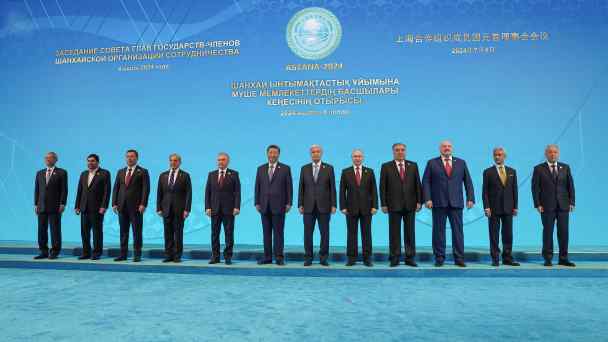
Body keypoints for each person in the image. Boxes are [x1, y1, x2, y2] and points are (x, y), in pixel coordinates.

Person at [422, 140, 475, 267]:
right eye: (444, 146)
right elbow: (426, 182)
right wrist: (427, 199)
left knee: (458, 231)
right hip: (438, 202)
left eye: (449, 146)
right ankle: (439, 258)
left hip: (456, 203)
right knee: (438, 232)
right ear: (440, 149)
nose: (447, 148)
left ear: (452, 148)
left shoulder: (461, 163)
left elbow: (468, 182)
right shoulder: (432, 163)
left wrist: (470, 198)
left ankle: (459, 258)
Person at [532, 144, 576, 267]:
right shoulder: (538, 169)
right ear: (546, 154)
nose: (553, 154)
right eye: (550, 152)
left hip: (563, 205)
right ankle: (548, 258)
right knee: (548, 232)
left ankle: (563, 258)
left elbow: (570, 186)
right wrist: (537, 204)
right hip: (546, 206)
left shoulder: (565, 168)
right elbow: (535, 188)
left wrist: (572, 202)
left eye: (555, 152)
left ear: (558, 154)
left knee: (564, 232)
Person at [380, 143, 422, 267]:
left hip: (411, 204)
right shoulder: (386, 166)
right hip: (393, 205)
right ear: (393, 152)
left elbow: (417, 185)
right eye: (397, 150)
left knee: (410, 232)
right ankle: (394, 257)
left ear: (405, 151)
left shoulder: (413, 165)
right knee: (394, 233)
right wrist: (383, 204)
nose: (400, 152)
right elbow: (382, 187)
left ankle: (410, 258)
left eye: (402, 150)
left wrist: (419, 201)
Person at [298, 145, 337, 266]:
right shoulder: (304, 168)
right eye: (313, 152)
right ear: (310, 154)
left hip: (324, 206)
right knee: (307, 233)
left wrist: (334, 204)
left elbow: (332, 188)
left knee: (325, 233)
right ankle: (308, 258)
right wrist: (300, 204)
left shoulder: (329, 168)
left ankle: (323, 258)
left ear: (321, 153)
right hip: (308, 206)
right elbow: (301, 187)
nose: (315, 154)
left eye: (318, 152)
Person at [254, 145, 293, 266]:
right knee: (266, 233)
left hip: (279, 205)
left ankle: (279, 258)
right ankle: (267, 257)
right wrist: (256, 202)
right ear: (267, 154)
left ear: (278, 154)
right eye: (270, 152)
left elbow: (289, 187)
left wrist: (289, 203)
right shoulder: (260, 168)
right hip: (264, 205)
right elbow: (257, 187)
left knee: (278, 233)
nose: (272, 155)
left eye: (275, 153)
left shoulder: (285, 168)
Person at [339, 149, 378, 267]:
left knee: (367, 234)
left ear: (363, 158)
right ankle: (351, 258)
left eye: (359, 156)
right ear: (352, 158)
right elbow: (342, 191)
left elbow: (374, 190)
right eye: (355, 156)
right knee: (351, 234)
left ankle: (367, 258)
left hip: (367, 209)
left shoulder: (369, 172)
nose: (357, 158)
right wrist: (343, 206)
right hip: (350, 209)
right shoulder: (346, 172)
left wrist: (375, 206)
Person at [482, 147, 519, 267]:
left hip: (508, 208)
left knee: (508, 234)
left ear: (504, 156)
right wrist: (486, 207)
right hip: (493, 208)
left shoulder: (512, 171)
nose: (497, 157)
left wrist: (515, 207)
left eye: (500, 155)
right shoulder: (488, 172)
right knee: (494, 234)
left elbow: (515, 190)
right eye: (495, 155)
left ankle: (507, 258)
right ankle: (495, 258)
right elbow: (485, 192)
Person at [112, 149, 150, 262]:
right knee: (123, 232)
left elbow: (146, 189)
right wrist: (114, 203)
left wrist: (143, 203)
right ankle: (123, 254)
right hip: (121, 206)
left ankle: (137, 254)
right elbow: (116, 188)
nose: (129, 158)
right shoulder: (120, 172)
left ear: (137, 158)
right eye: (127, 156)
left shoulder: (143, 171)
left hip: (136, 207)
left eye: (132, 156)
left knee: (136, 231)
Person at [205, 152, 241, 265]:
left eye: (223, 159)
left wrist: (236, 207)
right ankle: (215, 257)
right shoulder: (211, 174)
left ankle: (228, 257)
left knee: (229, 233)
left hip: (229, 209)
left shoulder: (234, 174)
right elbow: (207, 192)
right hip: (214, 209)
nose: (221, 162)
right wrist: (207, 207)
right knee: (214, 234)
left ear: (228, 161)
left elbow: (237, 192)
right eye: (219, 160)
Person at [157, 153, 192, 263]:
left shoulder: (185, 175)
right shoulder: (163, 175)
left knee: (178, 233)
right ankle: (168, 255)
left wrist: (187, 209)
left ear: (179, 162)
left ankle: (177, 256)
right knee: (167, 233)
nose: (173, 162)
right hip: (166, 209)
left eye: (175, 160)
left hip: (179, 210)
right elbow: (159, 193)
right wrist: (159, 208)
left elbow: (188, 193)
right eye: (171, 160)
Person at [75, 153, 111, 260]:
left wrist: (104, 206)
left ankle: (97, 253)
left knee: (97, 231)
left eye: (93, 161)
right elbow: (80, 191)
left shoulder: (104, 173)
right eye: (88, 161)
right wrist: (77, 206)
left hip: (97, 208)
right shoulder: (83, 174)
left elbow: (107, 191)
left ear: (98, 162)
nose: (90, 163)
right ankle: (86, 253)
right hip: (84, 207)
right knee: (84, 232)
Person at [34, 152, 68, 259]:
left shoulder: (62, 172)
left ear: (55, 159)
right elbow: (37, 190)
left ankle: (55, 251)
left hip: (55, 206)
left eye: (50, 158)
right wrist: (35, 204)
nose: (48, 159)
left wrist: (62, 203)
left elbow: (64, 189)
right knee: (41, 230)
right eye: (46, 158)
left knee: (55, 230)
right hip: (41, 206)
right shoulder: (39, 173)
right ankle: (43, 251)